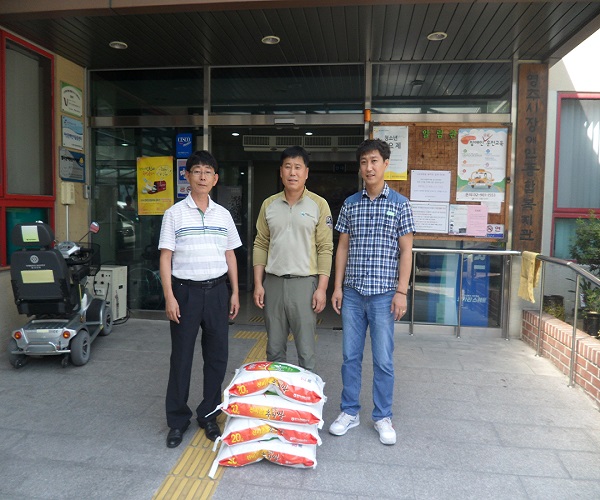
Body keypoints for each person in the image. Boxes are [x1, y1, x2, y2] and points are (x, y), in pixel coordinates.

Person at [329, 139, 415, 445]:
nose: (369, 167)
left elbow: (406, 251)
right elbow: (342, 247)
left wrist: (401, 291)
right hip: (353, 293)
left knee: (383, 360)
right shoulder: (350, 204)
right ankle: (349, 411)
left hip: (383, 295)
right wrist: (337, 287)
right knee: (350, 356)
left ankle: (382, 416)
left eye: (374, 161)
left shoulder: (400, 204)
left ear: (385, 164)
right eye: (364, 162)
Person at [158, 150, 241, 448]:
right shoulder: (174, 214)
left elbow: (230, 254)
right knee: (181, 357)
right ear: (187, 176)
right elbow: (165, 257)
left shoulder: (223, 215)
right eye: (197, 171)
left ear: (215, 179)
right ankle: (177, 420)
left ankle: (208, 415)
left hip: (217, 292)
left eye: (208, 172)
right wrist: (169, 296)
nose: (202, 177)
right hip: (185, 293)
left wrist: (234, 292)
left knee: (217, 357)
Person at [253, 146, 333, 372]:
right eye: (287, 167)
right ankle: (277, 393)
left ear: (306, 172)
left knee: (306, 351)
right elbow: (261, 243)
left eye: (298, 167)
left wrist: (322, 289)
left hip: (304, 284)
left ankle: (305, 394)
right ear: (281, 172)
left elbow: (325, 248)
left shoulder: (319, 204)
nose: (292, 172)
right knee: (274, 350)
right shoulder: (269, 204)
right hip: (273, 283)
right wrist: (258, 284)